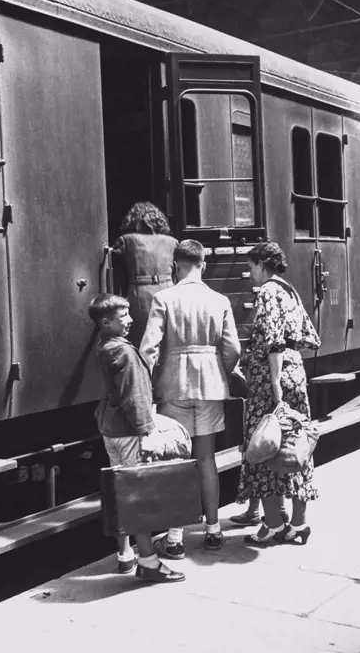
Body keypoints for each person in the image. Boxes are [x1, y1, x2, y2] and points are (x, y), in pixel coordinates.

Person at [140, 239, 241, 553]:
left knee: (179, 461)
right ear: (203, 264)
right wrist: (220, 371)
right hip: (210, 387)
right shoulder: (219, 299)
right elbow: (234, 349)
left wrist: (149, 382)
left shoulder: (164, 298)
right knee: (206, 459)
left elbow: (148, 349)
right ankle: (213, 530)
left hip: (174, 387)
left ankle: (175, 538)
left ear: (176, 264)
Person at [89, 293, 185, 583]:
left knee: (121, 493)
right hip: (129, 431)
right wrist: (146, 433)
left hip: (111, 429)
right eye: (123, 317)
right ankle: (149, 563)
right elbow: (136, 397)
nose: (130, 321)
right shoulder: (125, 353)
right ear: (106, 322)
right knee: (138, 497)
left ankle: (125, 555)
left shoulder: (105, 345)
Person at [236, 241, 321, 545]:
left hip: (273, 377)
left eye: (251, 267)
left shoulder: (268, 292)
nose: (250, 274)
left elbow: (272, 343)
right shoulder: (290, 291)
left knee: (265, 444)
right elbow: (311, 337)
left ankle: (272, 523)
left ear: (262, 264)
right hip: (295, 370)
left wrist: (274, 388)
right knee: (296, 445)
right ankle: (298, 524)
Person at [112, 202, 178, 347]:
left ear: (132, 219)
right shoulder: (172, 243)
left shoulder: (126, 241)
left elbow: (118, 277)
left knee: (142, 342)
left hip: (140, 296)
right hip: (170, 292)